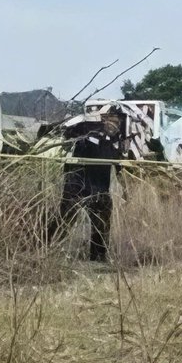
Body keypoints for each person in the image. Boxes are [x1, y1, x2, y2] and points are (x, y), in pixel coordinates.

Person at [47, 110, 125, 263]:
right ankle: (44, 248)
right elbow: (69, 133)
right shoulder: (86, 133)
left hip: (100, 188)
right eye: (112, 121)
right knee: (64, 220)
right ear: (103, 120)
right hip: (77, 186)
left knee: (102, 223)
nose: (115, 125)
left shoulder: (115, 142)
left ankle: (98, 258)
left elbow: (119, 167)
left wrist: (125, 186)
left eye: (118, 123)